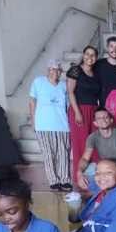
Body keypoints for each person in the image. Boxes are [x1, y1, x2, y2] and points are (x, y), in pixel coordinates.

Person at [29, 57, 72, 192]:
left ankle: (65, 180)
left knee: (64, 154)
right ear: (48, 70)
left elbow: (67, 105)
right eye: (53, 69)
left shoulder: (64, 85)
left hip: (62, 125)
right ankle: (53, 181)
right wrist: (33, 121)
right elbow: (32, 101)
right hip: (43, 124)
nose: (56, 72)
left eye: (59, 70)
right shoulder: (39, 82)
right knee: (48, 155)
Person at [67, 46, 101, 184]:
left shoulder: (96, 73)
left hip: (93, 110)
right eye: (87, 54)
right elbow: (70, 92)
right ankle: (80, 177)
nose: (90, 57)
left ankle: (94, 175)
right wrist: (77, 112)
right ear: (83, 54)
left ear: (96, 58)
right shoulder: (75, 70)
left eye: (93, 55)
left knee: (94, 144)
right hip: (79, 109)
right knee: (81, 144)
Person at [76, 108, 116, 189]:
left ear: (111, 120)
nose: (103, 120)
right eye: (99, 118)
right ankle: (96, 191)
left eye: (105, 117)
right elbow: (85, 158)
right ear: (95, 123)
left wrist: (115, 170)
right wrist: (79, 173)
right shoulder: (93, 137)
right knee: (86, 173)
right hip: (103, 166)